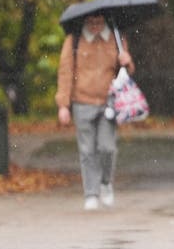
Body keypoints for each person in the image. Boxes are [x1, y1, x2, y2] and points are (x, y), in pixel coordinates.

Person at [55, 14, 135, 211]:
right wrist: (63, 105)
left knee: (107, 148)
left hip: (108, 101)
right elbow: (65, 72)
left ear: (105, 21)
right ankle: (91, 193)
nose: (96, 26)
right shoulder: (74, 40)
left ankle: (106, 183)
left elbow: (126, 73)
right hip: (82, 102)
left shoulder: (116, 38)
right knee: (87, 150)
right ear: (85, 22)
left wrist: (127, 61)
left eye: (99, 22)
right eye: (91, 23)